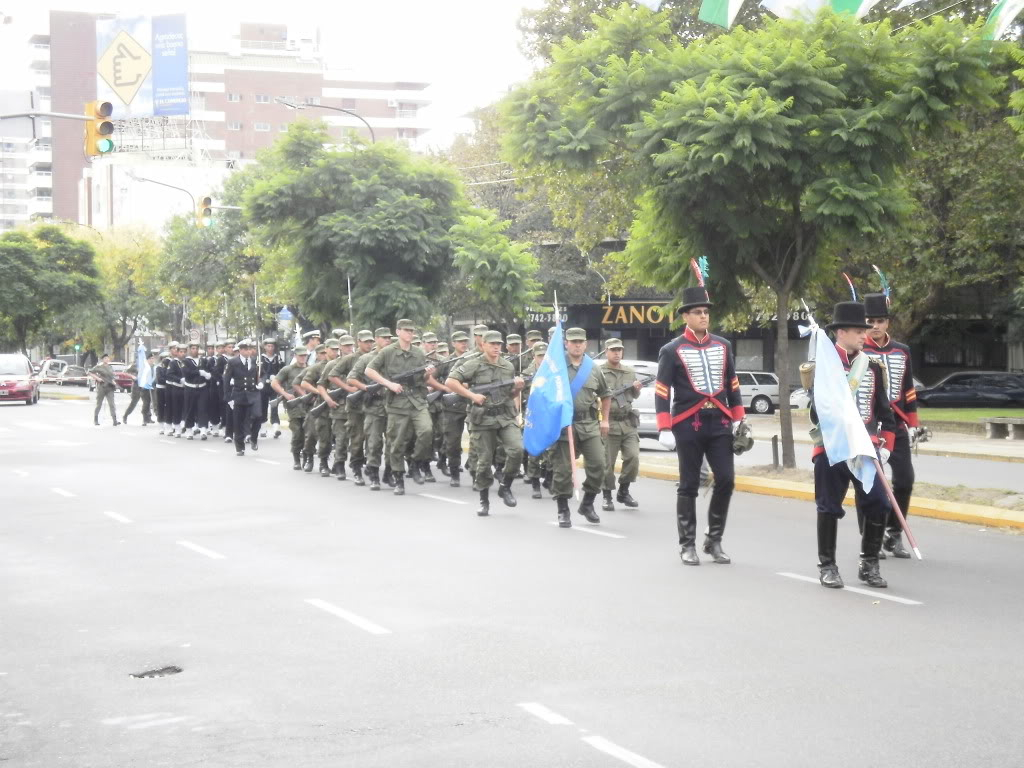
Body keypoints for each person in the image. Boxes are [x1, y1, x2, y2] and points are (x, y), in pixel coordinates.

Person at [809, 301, 897, 590]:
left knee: (879, 504)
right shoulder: (821, 365)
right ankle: (828, 565)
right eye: (859, 330)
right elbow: (815, 412)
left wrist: (887, 446)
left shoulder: (872, 367)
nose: (865, 334)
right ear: (841, 332)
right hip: (832, 448)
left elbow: (885, 413)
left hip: (865, 449)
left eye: (865, 330)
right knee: (829, 506)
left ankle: (868, 563)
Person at [655, 285, 745, 566]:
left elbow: (732, 383)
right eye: (698, 312)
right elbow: (662, 390)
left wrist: (739, 416)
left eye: (706, 312)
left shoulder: (723, 345)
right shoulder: (671, 350)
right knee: (689, 484)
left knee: (727, 479)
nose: (704, 317)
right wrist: (664, 427)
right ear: (686, 317)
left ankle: (713, 540)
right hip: (687, 423)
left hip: (719, 421)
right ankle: (687, 544)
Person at [862, 292, 919, 559]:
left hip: (896, 424)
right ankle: (869, 535)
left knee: (905, 479)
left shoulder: (902, 351)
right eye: (871, 321)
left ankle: (893, 534)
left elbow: (908, 389)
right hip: (869, 425)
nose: (876, 326)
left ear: (887, 323)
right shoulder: (858, 351)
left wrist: (913, 422)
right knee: (869, 481)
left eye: (880, 321)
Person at [446, 330, 525, 516]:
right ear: (484, 345)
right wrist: (472, 395)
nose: (497, 347)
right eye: (492, 344)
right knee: (484, 461)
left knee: (517, 450)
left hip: (505, 416)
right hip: (482, 418)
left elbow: (509, 394)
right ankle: (484, 500)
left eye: (499, 344)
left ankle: (505, 485)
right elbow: (451, 381)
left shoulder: (507, 366)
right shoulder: (473, 364)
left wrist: (517, 389)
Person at [365, 319, 442, 496]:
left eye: (412, 331)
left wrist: (428, 374)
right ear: (398, 332)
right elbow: (369, 370)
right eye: (406, 330)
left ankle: (415, 462)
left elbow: (422, 379)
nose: (410, 333)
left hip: (417, 400)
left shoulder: (419, 353)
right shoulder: (387, 352)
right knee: (397, 442)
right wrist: (388, 384)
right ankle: (398, 478)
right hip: (397, 402)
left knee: (427, 431)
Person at [551, 328, 611, 528]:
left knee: (599, 465)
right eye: (573, 341)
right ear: (566, 344)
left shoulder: (593, 368)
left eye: (580, 342)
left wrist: (605, 420)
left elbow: (605, 394)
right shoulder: (556, 367)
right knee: (564, 470)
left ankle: (587, 504)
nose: (577, 345)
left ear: (586, 344)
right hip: (565, 424)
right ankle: (563, 509)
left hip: (589, 423)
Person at [348, 328, 393, 490]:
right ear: (376, 339)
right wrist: (366, 388)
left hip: (393, 406)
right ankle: (373, 473)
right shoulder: (367, 358)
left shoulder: (395, 357)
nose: (387, 340)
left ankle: (389, 472)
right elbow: (351, 378)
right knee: (374, 442)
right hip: (374, 406)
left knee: (393, 443)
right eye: (384, 338)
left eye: (389, 338)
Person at [600, 338, 643, 511]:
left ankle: (624, 491)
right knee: (607, 463)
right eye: (613, 350)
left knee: (633, 457)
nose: (617, 353)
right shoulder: (599, 371)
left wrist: (636, 389)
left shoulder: (629, 372)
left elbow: (633, 396)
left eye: (620, 350)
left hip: (628, 421)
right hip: (608, 422)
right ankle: (607, 495)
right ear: (606, 351)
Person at [319, 335, 357, 480]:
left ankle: (354, 464)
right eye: (346, 346)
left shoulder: (358, 363)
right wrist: (327, 399)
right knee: (341, 439)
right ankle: (339, 464)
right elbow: (321, 385)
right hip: (339, 407)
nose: (349, 348)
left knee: (356, 440)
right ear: (340, 347)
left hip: (356, 407)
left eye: (351, 345)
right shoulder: (331, 365)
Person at [301, 339, 340, 476]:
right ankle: (310, 458)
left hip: (337, 407)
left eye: (337, 349)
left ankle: (329, 462)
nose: (334, 352)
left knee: (333, 437)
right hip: (320, 406)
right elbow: (304, 383)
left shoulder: (341, 364)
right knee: (313, 435)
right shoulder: (317, 367)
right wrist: (320, 392)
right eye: (332, 349)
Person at [344, 330, 376, 486]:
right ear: (359, 342)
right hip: (356, 406)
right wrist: (352, 389)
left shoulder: (376, 358)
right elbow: (334, 375)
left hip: (373, 405)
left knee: (373, 438)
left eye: (371, 341)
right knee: (357, 438)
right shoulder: (350, 359)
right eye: (365, 341)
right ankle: (356, 468)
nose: (369, 344)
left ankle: (371, 467)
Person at [223, 339, 265, 456]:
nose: (249, 352)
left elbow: (262, 374)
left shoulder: (255, 361)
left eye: (250, 349)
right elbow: (226, 380)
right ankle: (240, 447)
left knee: (257, 417)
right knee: (238, 421)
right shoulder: (233, 362)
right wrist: (228, 398)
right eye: (246, 349)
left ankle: (253, 438)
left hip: (253, 394)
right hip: (239, 394)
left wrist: (261, 382)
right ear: (240, 350)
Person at [271, 346, 310, 470]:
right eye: (300, 355)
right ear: (295, 356)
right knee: (297, 432)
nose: (303, 357)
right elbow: (274, 383)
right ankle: (296, 458)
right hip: (294, 405)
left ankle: (307, 455)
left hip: (308, 404)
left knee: (308, 433)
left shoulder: (311, 369)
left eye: (305, 355)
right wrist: (285, 394)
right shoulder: (288, 369)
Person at [441, 331, 471, 487]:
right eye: (460, 341)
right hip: (452, 408)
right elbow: (433, 378)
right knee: (452, 442)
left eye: (465, 341)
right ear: (453, 343)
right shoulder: (447, 361)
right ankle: (454, 472)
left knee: (480, 441)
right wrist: (444, 388)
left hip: (471, 406)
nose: (463, 344)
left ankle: (474, 469)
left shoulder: (473, 358)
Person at [182, 341, 211, 439]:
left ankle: (203, 430)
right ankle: (189, 430)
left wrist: (208, 375)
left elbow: (208, 370)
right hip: (190, 388)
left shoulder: (203, 360)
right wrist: (199, 372)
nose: (195, 350)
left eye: (197, 348)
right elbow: (187, 373)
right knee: (190, 409)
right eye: (193, 348)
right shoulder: (186, 361)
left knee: (203, 408)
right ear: (189, 350)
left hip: (202, 387)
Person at [122, 350, 156, 426]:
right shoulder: (138, 365)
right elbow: (126, 372)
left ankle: (147, 418)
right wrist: (133, 376)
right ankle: (125, 416)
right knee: (134, 403)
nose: (152, 360)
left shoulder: (153, 367)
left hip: (146, 386)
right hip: (137, 386)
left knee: (147, 402)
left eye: (153, 358)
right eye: (150, 358)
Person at [259, 338, 283, 438]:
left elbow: (282, 370)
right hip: (264, 386)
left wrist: (277, 377)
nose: (270, 348)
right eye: (268, 346)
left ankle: (275, 428)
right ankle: (263, 428)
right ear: (264, 347)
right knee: (263, 407)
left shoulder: (277, 358)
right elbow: (258, 372)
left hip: (274, 386)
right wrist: (264, 379)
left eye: (272, 346)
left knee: (274, 406)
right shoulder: (260, 358)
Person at [88, 354, 120, 426]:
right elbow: (89, 372)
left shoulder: (110, 367)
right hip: (102, 387)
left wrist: (114, 383)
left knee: (112, 404)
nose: (107, 359)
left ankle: (114, 420)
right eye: (105, 358)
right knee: (99, 404)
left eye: (107, 358)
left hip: (110, 387)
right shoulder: (99, 367)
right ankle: (95, 419)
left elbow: (112, 377)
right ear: (103, 359)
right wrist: (97, 378)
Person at [164, 342, 185, 437]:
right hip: (172, 386)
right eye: (179, 350)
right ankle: (170, 426)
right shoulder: (172, 362)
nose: (182, 353)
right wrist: (179, 379)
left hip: (184, 388)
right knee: (171, 407)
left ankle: (181, 426)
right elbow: (168, 374)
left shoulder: (185, 361)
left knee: (181, 408)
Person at [154, 350, 170, 434]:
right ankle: (161, 426)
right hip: (160, 389)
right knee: (160, 406)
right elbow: (160, 379)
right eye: (164, 358)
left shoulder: (170, 367)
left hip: (168, 388)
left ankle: (168, 425)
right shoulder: (158, 367)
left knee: (169, 407)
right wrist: (167, 379)